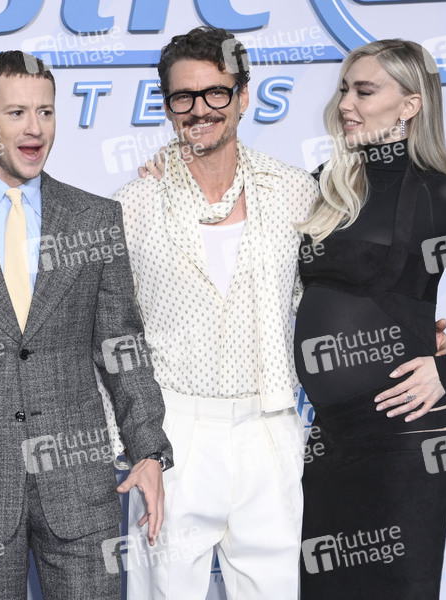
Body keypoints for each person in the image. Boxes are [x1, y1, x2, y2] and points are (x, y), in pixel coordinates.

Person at [0, 50, 172, 600]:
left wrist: (148, 448)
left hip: (80, 485)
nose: (35, 129)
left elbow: (122, 344)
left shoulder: (95, 218)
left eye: (45, 112)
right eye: (16, 113)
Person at [294, 39, 446, 599]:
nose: (345, 104)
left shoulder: (444, 196)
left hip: (408, 444)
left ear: (410, 105)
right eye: (344, 90)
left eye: (364, 91)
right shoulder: (324, 186)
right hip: (329, 439)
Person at [114, 26, 316, 599]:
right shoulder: (132, 205)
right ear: (167, 105)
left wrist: (407, 333)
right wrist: (135, 445)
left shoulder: (296, 192)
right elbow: (111, 335)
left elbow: (326, 299)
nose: (200, 109)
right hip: (172, 434)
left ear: (243, 96)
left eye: (216, 92)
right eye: (184, 96)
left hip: (270, 426)